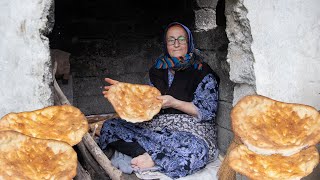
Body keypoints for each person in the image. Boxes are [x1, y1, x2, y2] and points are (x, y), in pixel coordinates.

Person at [98, 22, 220, 179]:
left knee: (195, 151)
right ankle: (155, 155)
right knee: (111, 126)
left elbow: (206, 112)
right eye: (171, 40)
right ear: (166, 44)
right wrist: (127, 92)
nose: (176, 44)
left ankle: (151, 156)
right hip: (158, 128)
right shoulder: (157, 70)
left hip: (190, 130)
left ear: (189, 42)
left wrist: (174, 102)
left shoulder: (202, 72)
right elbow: (148, 103)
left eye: (181, 39)